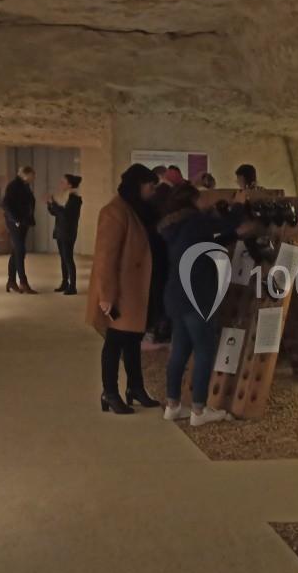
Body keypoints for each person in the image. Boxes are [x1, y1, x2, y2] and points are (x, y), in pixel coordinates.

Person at [158, 183, 252, 427]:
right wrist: (240, 204)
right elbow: (223, 226)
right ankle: (199, 411)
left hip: (176, 294)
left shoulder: (174, 225)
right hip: (197, 296)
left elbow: (205, 244)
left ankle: (173, 405)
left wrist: (235, 235)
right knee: (204, 351)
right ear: (191, 201)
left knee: (179, 350)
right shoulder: (194, 222)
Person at [87, 164, 165, 415]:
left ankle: (135, 388)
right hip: (122, 291)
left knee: (132, 340)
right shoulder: (115, 212)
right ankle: (109, 392)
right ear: (137, 185)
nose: (153, 191)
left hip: (136, 289)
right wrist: (106, 295)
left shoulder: (136, 209)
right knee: (115, 342)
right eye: (150, 186)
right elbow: (105, 257)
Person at [3, 166, 38, 294]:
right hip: (16, 223)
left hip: (23, 223)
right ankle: (23, 282)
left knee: (16, 251)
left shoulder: (24, 185)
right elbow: (6, 204)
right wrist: (16, 219)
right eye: (32, 175)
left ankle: (11, 281)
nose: (34, 178)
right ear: (25, 174)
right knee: (20, 251)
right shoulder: (14, 186)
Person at [46, 174, 83, 295]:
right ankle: (64, 282)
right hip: (60, 230)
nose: (60, 184)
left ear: (70, 185)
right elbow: (55, 213)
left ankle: (73, 286)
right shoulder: (64, 197)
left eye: (63, 182)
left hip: (68, 232)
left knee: (68, 258)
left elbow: (65, 214)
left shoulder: (75, 199)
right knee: (63, 258)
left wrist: (54, 203)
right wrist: (50, 204)